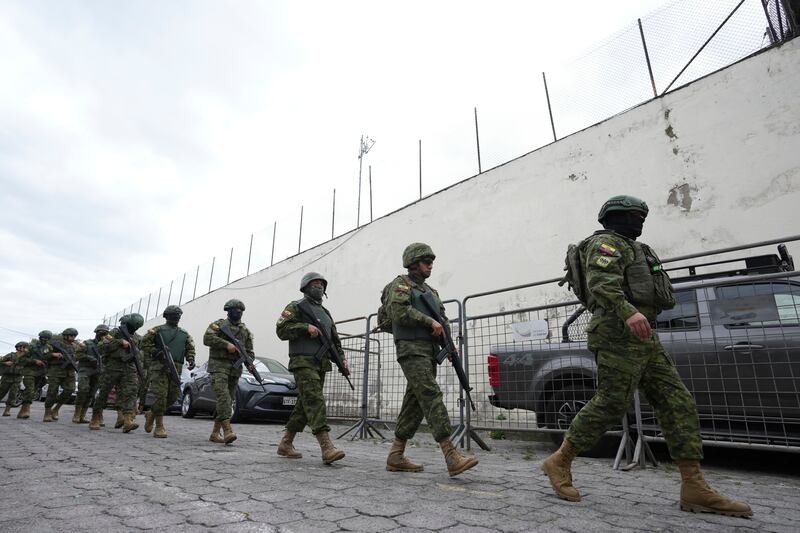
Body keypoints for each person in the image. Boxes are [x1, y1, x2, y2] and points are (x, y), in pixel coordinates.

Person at [541, 195, 752, 518]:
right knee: (612, 402)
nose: (640, 221)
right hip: (615, 331)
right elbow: (601, 282)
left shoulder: (639, 248)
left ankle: (693, 486)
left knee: (677, 401)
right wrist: (628, 312)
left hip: (644, 335)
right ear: (616, 216)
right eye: (634, 216)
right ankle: (560, 460)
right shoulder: (606, 244)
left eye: (643, 216)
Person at [381, 243, 478, 477]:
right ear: (413, 263)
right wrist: (428, 322)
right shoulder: (401, 284)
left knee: (414, 401)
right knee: (430, 394)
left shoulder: (431, 292)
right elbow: (399, 312)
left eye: (432, 261)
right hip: (411, 348)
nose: (431, 265)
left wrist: (448, 341)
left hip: (429, 349)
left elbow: (441, 319)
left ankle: (396, 455)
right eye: (426, 261)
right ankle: (450, 454)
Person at [275, 272, 349, 464]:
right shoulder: (296, 306)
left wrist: (342, 360)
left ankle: (286, 443)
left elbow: (334, 340)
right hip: (303, 362)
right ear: (306, 287)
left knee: (304, 405)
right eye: (315, 284)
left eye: (321, 284)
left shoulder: (325, 313)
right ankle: (327, 447)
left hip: (320, 364)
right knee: (315, 400)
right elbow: (281, 330)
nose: (319, 287)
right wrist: (304, 328)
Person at [140, 305, 196, 438]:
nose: (176, 318)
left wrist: (191, 359)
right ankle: (159, 426)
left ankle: (152, 413)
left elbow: (190, 348)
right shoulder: (156, 331)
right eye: (173, 315)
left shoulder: (184, 334)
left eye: (178, 315)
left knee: (173, 396)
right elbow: (143, 344)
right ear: (166, 316)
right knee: (161, 395)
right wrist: (156, 352)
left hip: (176, 367)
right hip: (159, 367)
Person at [203, 299, 253, 444]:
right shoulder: (219, 325)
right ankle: (227, 431)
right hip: (218, 366)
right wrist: (226, 344)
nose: (237, 312)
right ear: (228, 311)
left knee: (228, 400)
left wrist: (250, 362)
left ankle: (214, 433)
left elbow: (249, 351)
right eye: (234, 309)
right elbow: (207, 338)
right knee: (224, 397)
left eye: (240, 310)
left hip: (235, 369)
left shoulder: (245, 331)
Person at [93, 314, 145, 433]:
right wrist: (119, 342)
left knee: (130, 393)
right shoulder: (115, 333)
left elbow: (141, 353)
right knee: (104, 393)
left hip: (129, 367)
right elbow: (101, 347)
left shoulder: (137, 337)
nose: (134, 329)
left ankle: (127, 421)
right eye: (133, 326)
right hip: (112, 367)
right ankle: (95, 418)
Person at [74, 324, 109, 425]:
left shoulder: (107, 345)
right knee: (83, 390)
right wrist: (89, 357)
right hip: (86, 369)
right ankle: (77, 414)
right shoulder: (87, 343)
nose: (102, 334)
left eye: (105, 332)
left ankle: (82, 415)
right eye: (100, 332)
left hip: (98, 371)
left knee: (91, 394)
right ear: (96, 332)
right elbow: (77, 355)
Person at [15, 331, 51, 419]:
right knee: (30, 391)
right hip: (29, 372)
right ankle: (26, 410)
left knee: (33, 392)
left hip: (41, 373)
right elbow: (21, 360)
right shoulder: (31, 347)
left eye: (47, 338)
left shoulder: (49, 348)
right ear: (40, 337)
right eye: (43, 338)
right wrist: (34, 361)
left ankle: (22, 410)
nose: (45, 340)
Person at [0, 342, 27, 416]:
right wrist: (5, 363)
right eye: (21, 347)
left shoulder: (26, 357)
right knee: (1, 392)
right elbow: (1, 360)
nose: (23, 348)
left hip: (17, 377)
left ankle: (7, 410)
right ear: (18, 347)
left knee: (13, 394)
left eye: (24, 347)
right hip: (7, 377)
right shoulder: (11, 355)